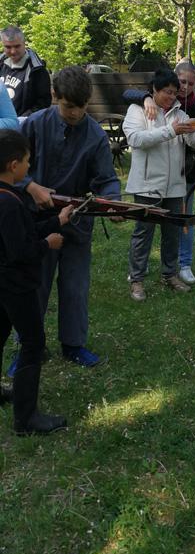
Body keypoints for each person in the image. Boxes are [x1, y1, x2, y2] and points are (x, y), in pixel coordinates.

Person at [9, 66, 121, 372]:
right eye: (69, 106)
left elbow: (106, 179)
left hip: (76, 221)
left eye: (82, 106)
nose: (76, 113)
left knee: (75, 286)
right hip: (36, 222)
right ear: (54, 96)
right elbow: (9, 166)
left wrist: (113, 202)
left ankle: (73, 345)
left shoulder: (95, 135)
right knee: (35, 286)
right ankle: (29, 348)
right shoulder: (34, 124)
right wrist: (30, 186)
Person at [0, 129, 73, 434]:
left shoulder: (7, 197)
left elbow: (22, 231)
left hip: (2, 284)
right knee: (32, 342)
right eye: (27, 161)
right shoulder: (10, 203)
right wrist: (49, 243)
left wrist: (57, 220)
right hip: (17, 285)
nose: (29, 166)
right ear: (14, 165)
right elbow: (22, 250)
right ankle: (26, 418)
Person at [123, 61, 195, 285]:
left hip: (175, 184)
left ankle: (169, 275)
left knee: (172, 232)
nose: (171, 97)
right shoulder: (137, 110)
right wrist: (170, 131)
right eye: (167, 92)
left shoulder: (180, 114)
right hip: (147, 184)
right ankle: (136, 279)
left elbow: (191, 141)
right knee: (143, 232)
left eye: (175, 93)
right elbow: (136, 139)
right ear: (154, 90)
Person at [0, 26, 51, 118]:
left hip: (22, 123)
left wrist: (22, 120)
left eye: (17, 46)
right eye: (8, 47)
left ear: (24, 43)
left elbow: (43, 103)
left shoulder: (37, 70)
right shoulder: (1, 64)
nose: (13, 51)